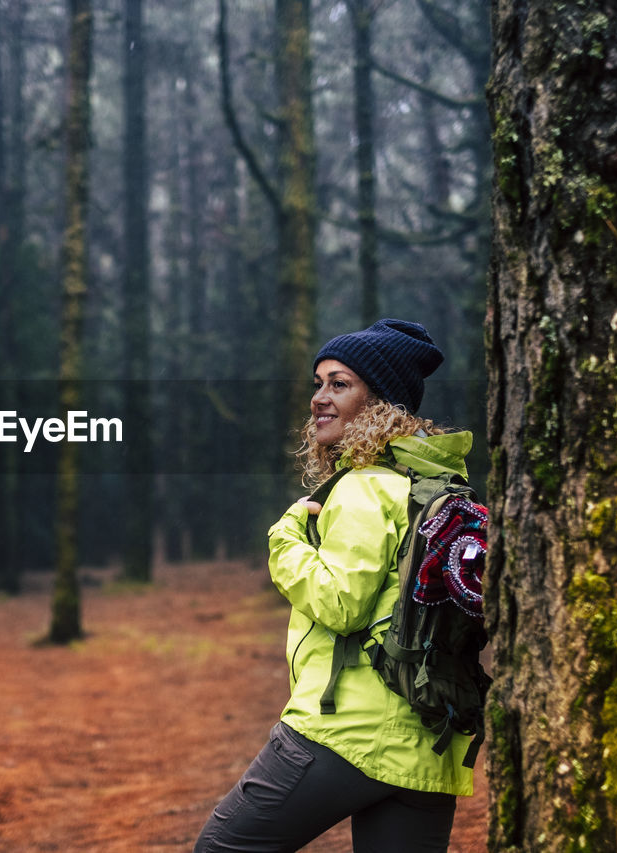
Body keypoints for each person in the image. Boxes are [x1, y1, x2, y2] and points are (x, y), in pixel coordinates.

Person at [195, 319, 477, 853]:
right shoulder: (429, 486)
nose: (319, 399)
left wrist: (285, 540)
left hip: (345, 729)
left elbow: (341, 603)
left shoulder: (366, 486)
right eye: (318, 383)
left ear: (380, 404)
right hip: (427, 740)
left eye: (339, 384)